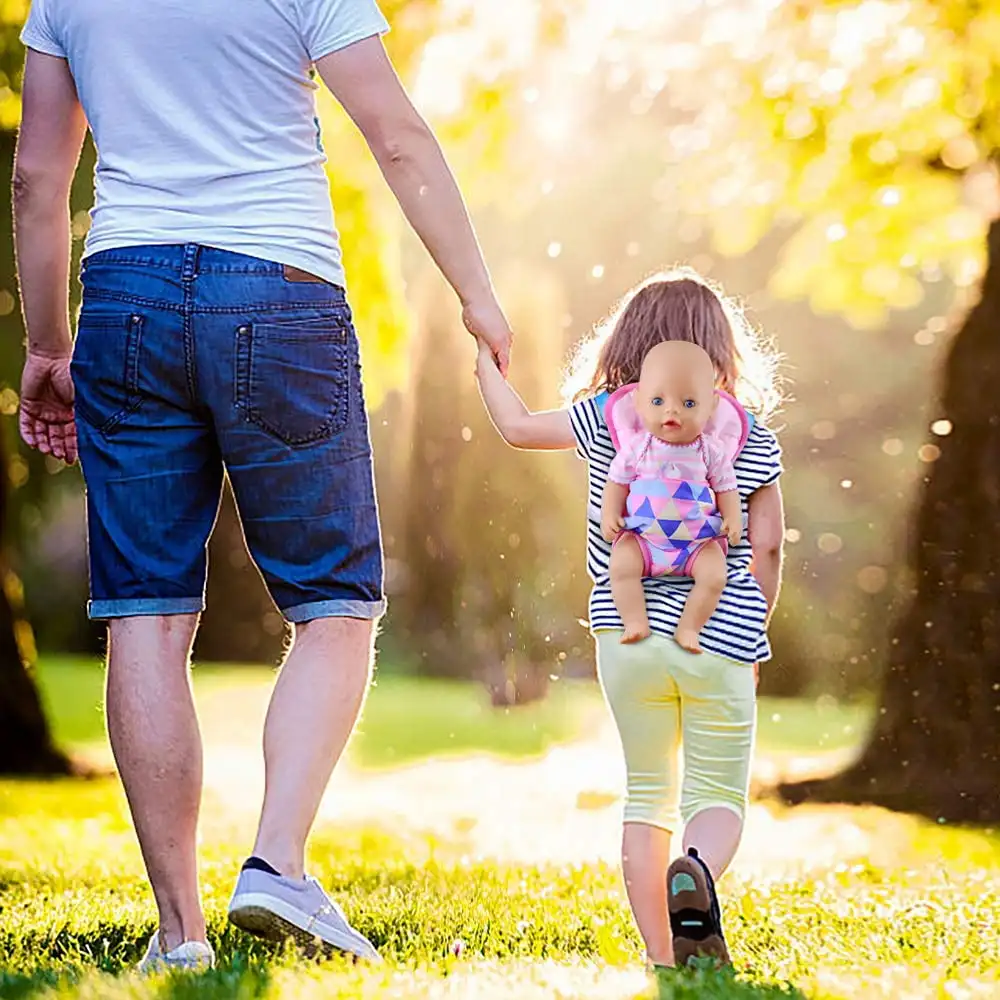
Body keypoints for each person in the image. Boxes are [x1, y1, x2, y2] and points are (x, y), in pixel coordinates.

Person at [14, 0, 512, 972]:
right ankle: (276, 863)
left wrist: (46, 344)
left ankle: (180, 931)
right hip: (279, 290)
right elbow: (397, 136)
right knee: (333, 602)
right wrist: (476, 295)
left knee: (145, 613)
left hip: (127, 299)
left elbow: (37, 177)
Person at [474, 269, 784, 969]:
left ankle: (661, 955)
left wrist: (485, 363)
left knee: (647, 791)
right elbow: (765, 544)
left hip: (628, 634)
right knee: (716, 792)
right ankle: (697, 868)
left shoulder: (606, 418)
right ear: (721, 352)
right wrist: (752, 633)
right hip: (720, 634)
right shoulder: (745, 434)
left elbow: (518, 426)